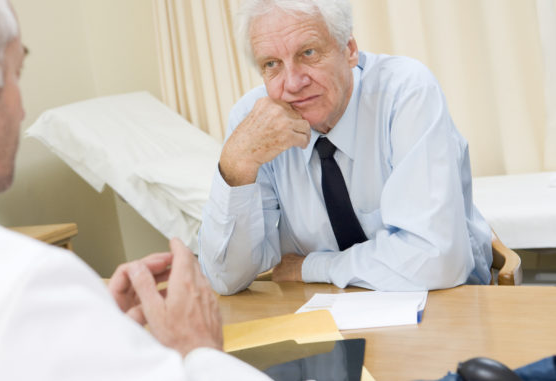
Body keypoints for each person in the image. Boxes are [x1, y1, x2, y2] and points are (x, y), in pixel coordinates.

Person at [0, 0, 269, 379]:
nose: (21, 110)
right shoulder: (19, 284)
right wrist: (197, 350)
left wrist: (89, 333)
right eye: (16, 73)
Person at [199, 0, 493, 295]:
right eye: (271, 64)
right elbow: (226, 279)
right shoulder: (253, 123)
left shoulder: (405, 92)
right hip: (327, 316)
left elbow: (437, 261)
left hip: (448, 304)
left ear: (349, 50)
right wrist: (236, 165)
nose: (292, 83)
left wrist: (311, 267)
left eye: (308, 53)